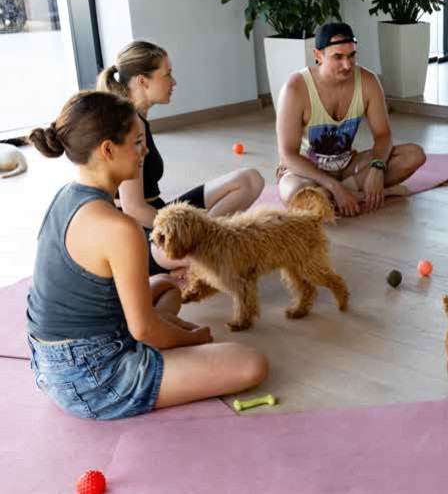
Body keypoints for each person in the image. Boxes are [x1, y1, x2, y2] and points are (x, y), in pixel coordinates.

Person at [25, 91, 268, 420]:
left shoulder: (65, 196)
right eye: (137, 142)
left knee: (167, 286)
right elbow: (143, 330)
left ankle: (161, 343)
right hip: (91, 376)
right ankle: (157, 352)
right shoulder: (119, 228)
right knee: (250, 364)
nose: (146, 151)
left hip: (49, 358)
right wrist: (191, 339)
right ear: (108, 150)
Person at [97, 41, 264, 275]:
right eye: (167, 75)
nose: (173, 82)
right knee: (234, 254)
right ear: (142, 81)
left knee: (250, 180)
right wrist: (182, 230)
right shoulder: (130, 124)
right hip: (139, 232)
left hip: (159, 212)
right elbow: (133, 208)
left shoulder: (138, 118)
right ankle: (199, 248)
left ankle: (204, 242)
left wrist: (194, 228)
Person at [275, 22, 427, 216]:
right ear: (318, 55)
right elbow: (287, 155)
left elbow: (383, 135)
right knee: (296, 195)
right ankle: (360, 194)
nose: (347, 65)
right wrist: (335, 186)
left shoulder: (368, 81)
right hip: (305, 173)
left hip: (347, 166)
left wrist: (377, 168)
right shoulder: (295, 88)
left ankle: (334, 197)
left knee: (414, 155)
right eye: (338, 57)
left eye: (351, 56)